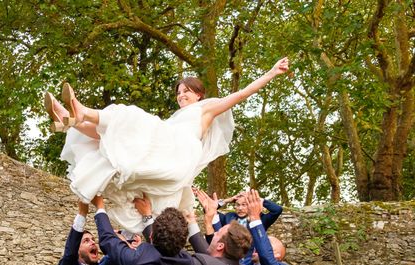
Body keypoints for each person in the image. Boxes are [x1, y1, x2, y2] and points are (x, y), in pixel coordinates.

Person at [44, 58, 289, 231]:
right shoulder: (172, 120)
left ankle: (82, 111)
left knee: (131, 117)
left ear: (199, 94)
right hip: (167, 150)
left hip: (180, 153)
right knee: (119, 132)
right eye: (179, 92)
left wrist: (272, 73)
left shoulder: (205, 109)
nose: (181, 95)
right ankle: (72, 120)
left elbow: (241, 95)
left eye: (187, 91)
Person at [213, 191, 283, 229]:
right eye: (238, 205)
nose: (240, 208)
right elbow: (209, 210)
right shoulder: (228, 217)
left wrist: (256, 199)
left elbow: (277, 209)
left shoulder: (261, 219)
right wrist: (228, 200)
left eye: (244, 205)